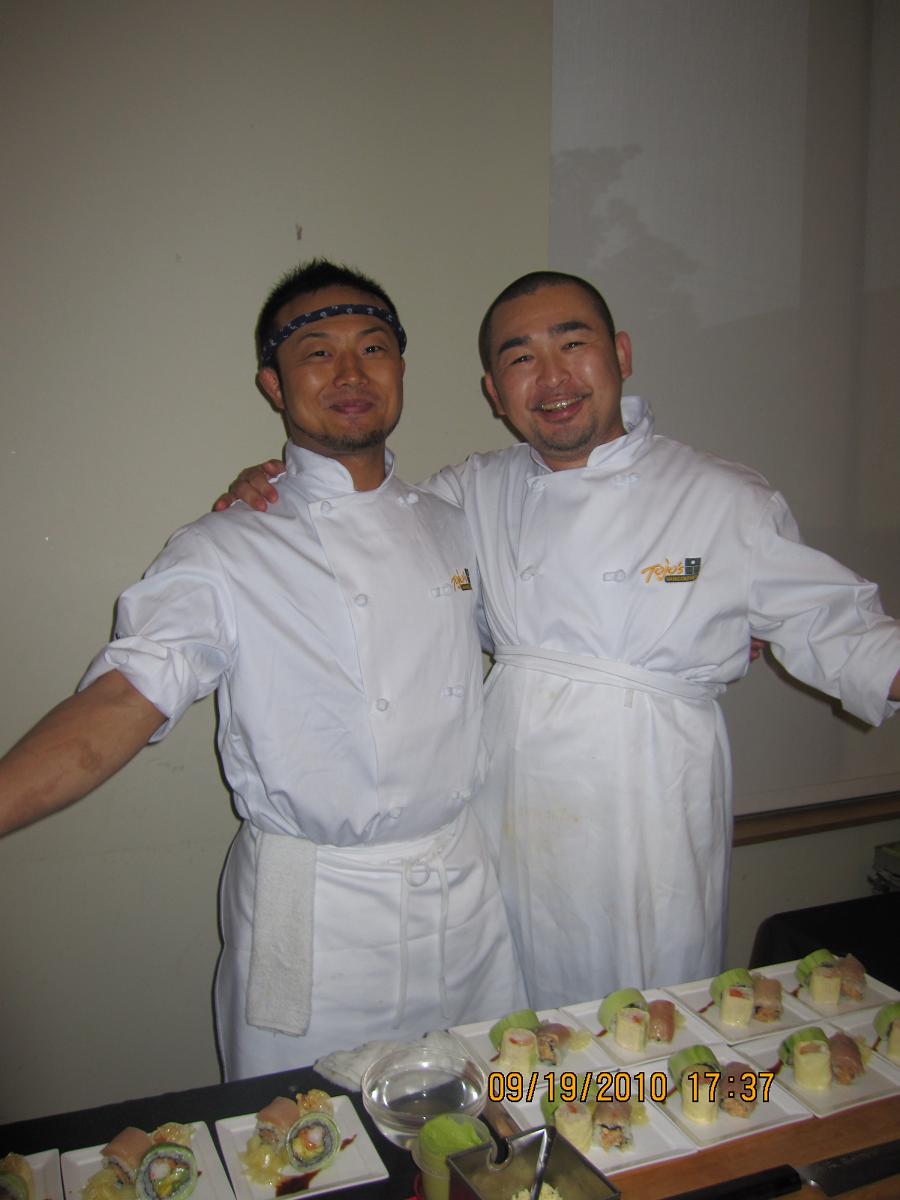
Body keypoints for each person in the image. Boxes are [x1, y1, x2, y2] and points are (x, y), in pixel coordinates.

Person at [216, 269, 900, 1011]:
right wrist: (279, 483)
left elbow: (845, 630)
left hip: (648, 816)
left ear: (621, 354)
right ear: (494, 391)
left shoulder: (724, 498)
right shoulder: (469, 493)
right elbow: (362, 519)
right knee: (513, 1038)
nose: (552, 378)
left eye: (573, 344)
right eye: (521, 358)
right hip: (501, 820)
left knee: (639, 1032)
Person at [0, 259, 526, 1078]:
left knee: (486, 1117)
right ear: (273, 385)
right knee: (302, 1136)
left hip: (463, 895)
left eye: (373, 348)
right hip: (317, 913)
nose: (350, 373)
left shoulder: (453, 522)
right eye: (317, 353)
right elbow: (125, 695)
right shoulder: (224, 548)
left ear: (401, 369)